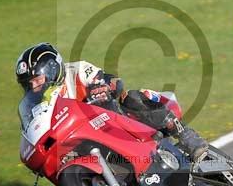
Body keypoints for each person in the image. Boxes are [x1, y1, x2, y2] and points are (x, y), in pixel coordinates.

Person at [14, 42, 208, 161]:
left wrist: (102, 87)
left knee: (132, 97)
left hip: (113, 122)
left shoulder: (77, 71)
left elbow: (114, 81)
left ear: (51, 70)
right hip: (84, 141)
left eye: (36, 80)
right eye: (28, 84)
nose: (34, 87)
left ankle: (186, 136)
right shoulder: (36, 105)